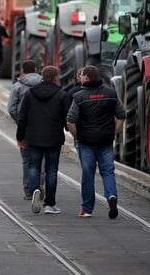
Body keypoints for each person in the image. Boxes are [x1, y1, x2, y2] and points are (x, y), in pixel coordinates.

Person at [67, 65, 126, 219]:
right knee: (107, 171)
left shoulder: (79, 96)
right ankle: (111, 196)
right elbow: (121, 115)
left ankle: (87, 209)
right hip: (105, 140)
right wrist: (114, 132)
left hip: (86, 141)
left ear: (86, 77)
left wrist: (77, 136)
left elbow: (70, 121)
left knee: (88, 173)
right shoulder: (111, 93)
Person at [16, 66, 71, 214]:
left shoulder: (30, 94)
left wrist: (20, 136)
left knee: (34, 166)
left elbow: (22, 117)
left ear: (42, 77)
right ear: (55, 78)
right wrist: (68, 129)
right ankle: (49, 204)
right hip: (54, 137)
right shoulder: (62, 95)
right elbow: (67, 118)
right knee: (51, 170)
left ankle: (35, 190)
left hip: (33, 136)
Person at [8, 60, 43, 200]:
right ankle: (40, 186)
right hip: (43, 128)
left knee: (27, 160)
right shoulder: (44, 85)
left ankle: (30, 191)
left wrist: (19, 121)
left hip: (25, 128)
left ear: (23, 71)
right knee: (42, 159)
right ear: (35, 69)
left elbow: (11, 108)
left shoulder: (17, 87)